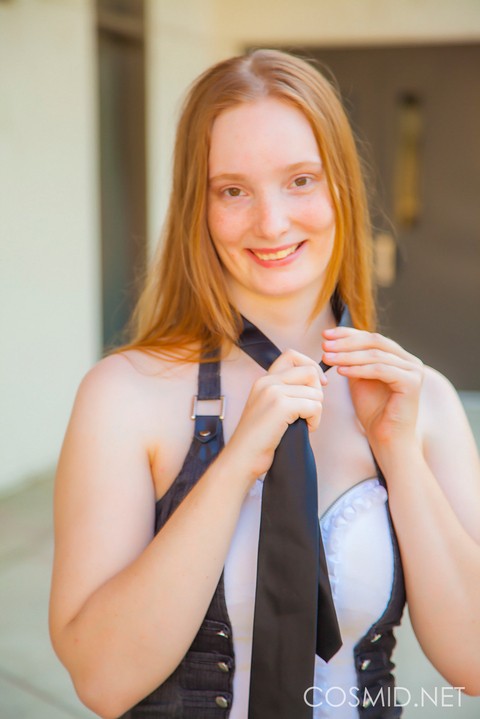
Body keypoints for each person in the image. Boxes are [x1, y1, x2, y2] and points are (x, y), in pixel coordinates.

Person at [49, 49, 480, 719]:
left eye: (301, 180)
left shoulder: (424, 402)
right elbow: (102, 681)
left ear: (341, 185)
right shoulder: (121, 395)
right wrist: (235, 463)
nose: (272, 222)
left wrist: (399, 453)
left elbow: (474, 660)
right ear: (201, 204)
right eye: (234, 190)